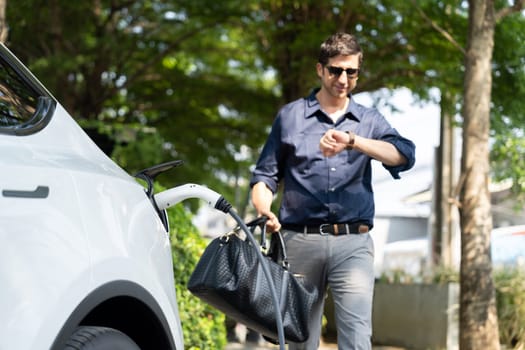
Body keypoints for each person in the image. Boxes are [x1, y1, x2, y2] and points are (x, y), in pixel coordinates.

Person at [249, 32, 416, 350]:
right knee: (298, 338)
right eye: (336, 70)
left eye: (351, 71)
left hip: (353, 243)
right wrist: (264, 209)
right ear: (320, 69)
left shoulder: (368, 120)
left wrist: (353, 140)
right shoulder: (291, 116)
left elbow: (404, 156)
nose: (343, 78)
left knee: (356, 337)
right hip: (298, 242)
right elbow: (265, 176)